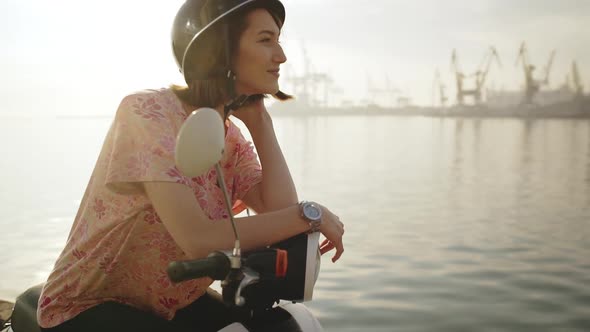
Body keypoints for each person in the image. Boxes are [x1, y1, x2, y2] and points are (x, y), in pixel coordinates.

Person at [37, 0, 345, 331]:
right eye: (266, 40)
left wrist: (261, 122)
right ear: (221, 49)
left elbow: (279, 212)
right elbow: (199, 239)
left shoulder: (231, 138)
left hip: (171, 303)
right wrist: (311, 214)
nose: (281, 56)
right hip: (90, 305)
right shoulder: (147, 113)